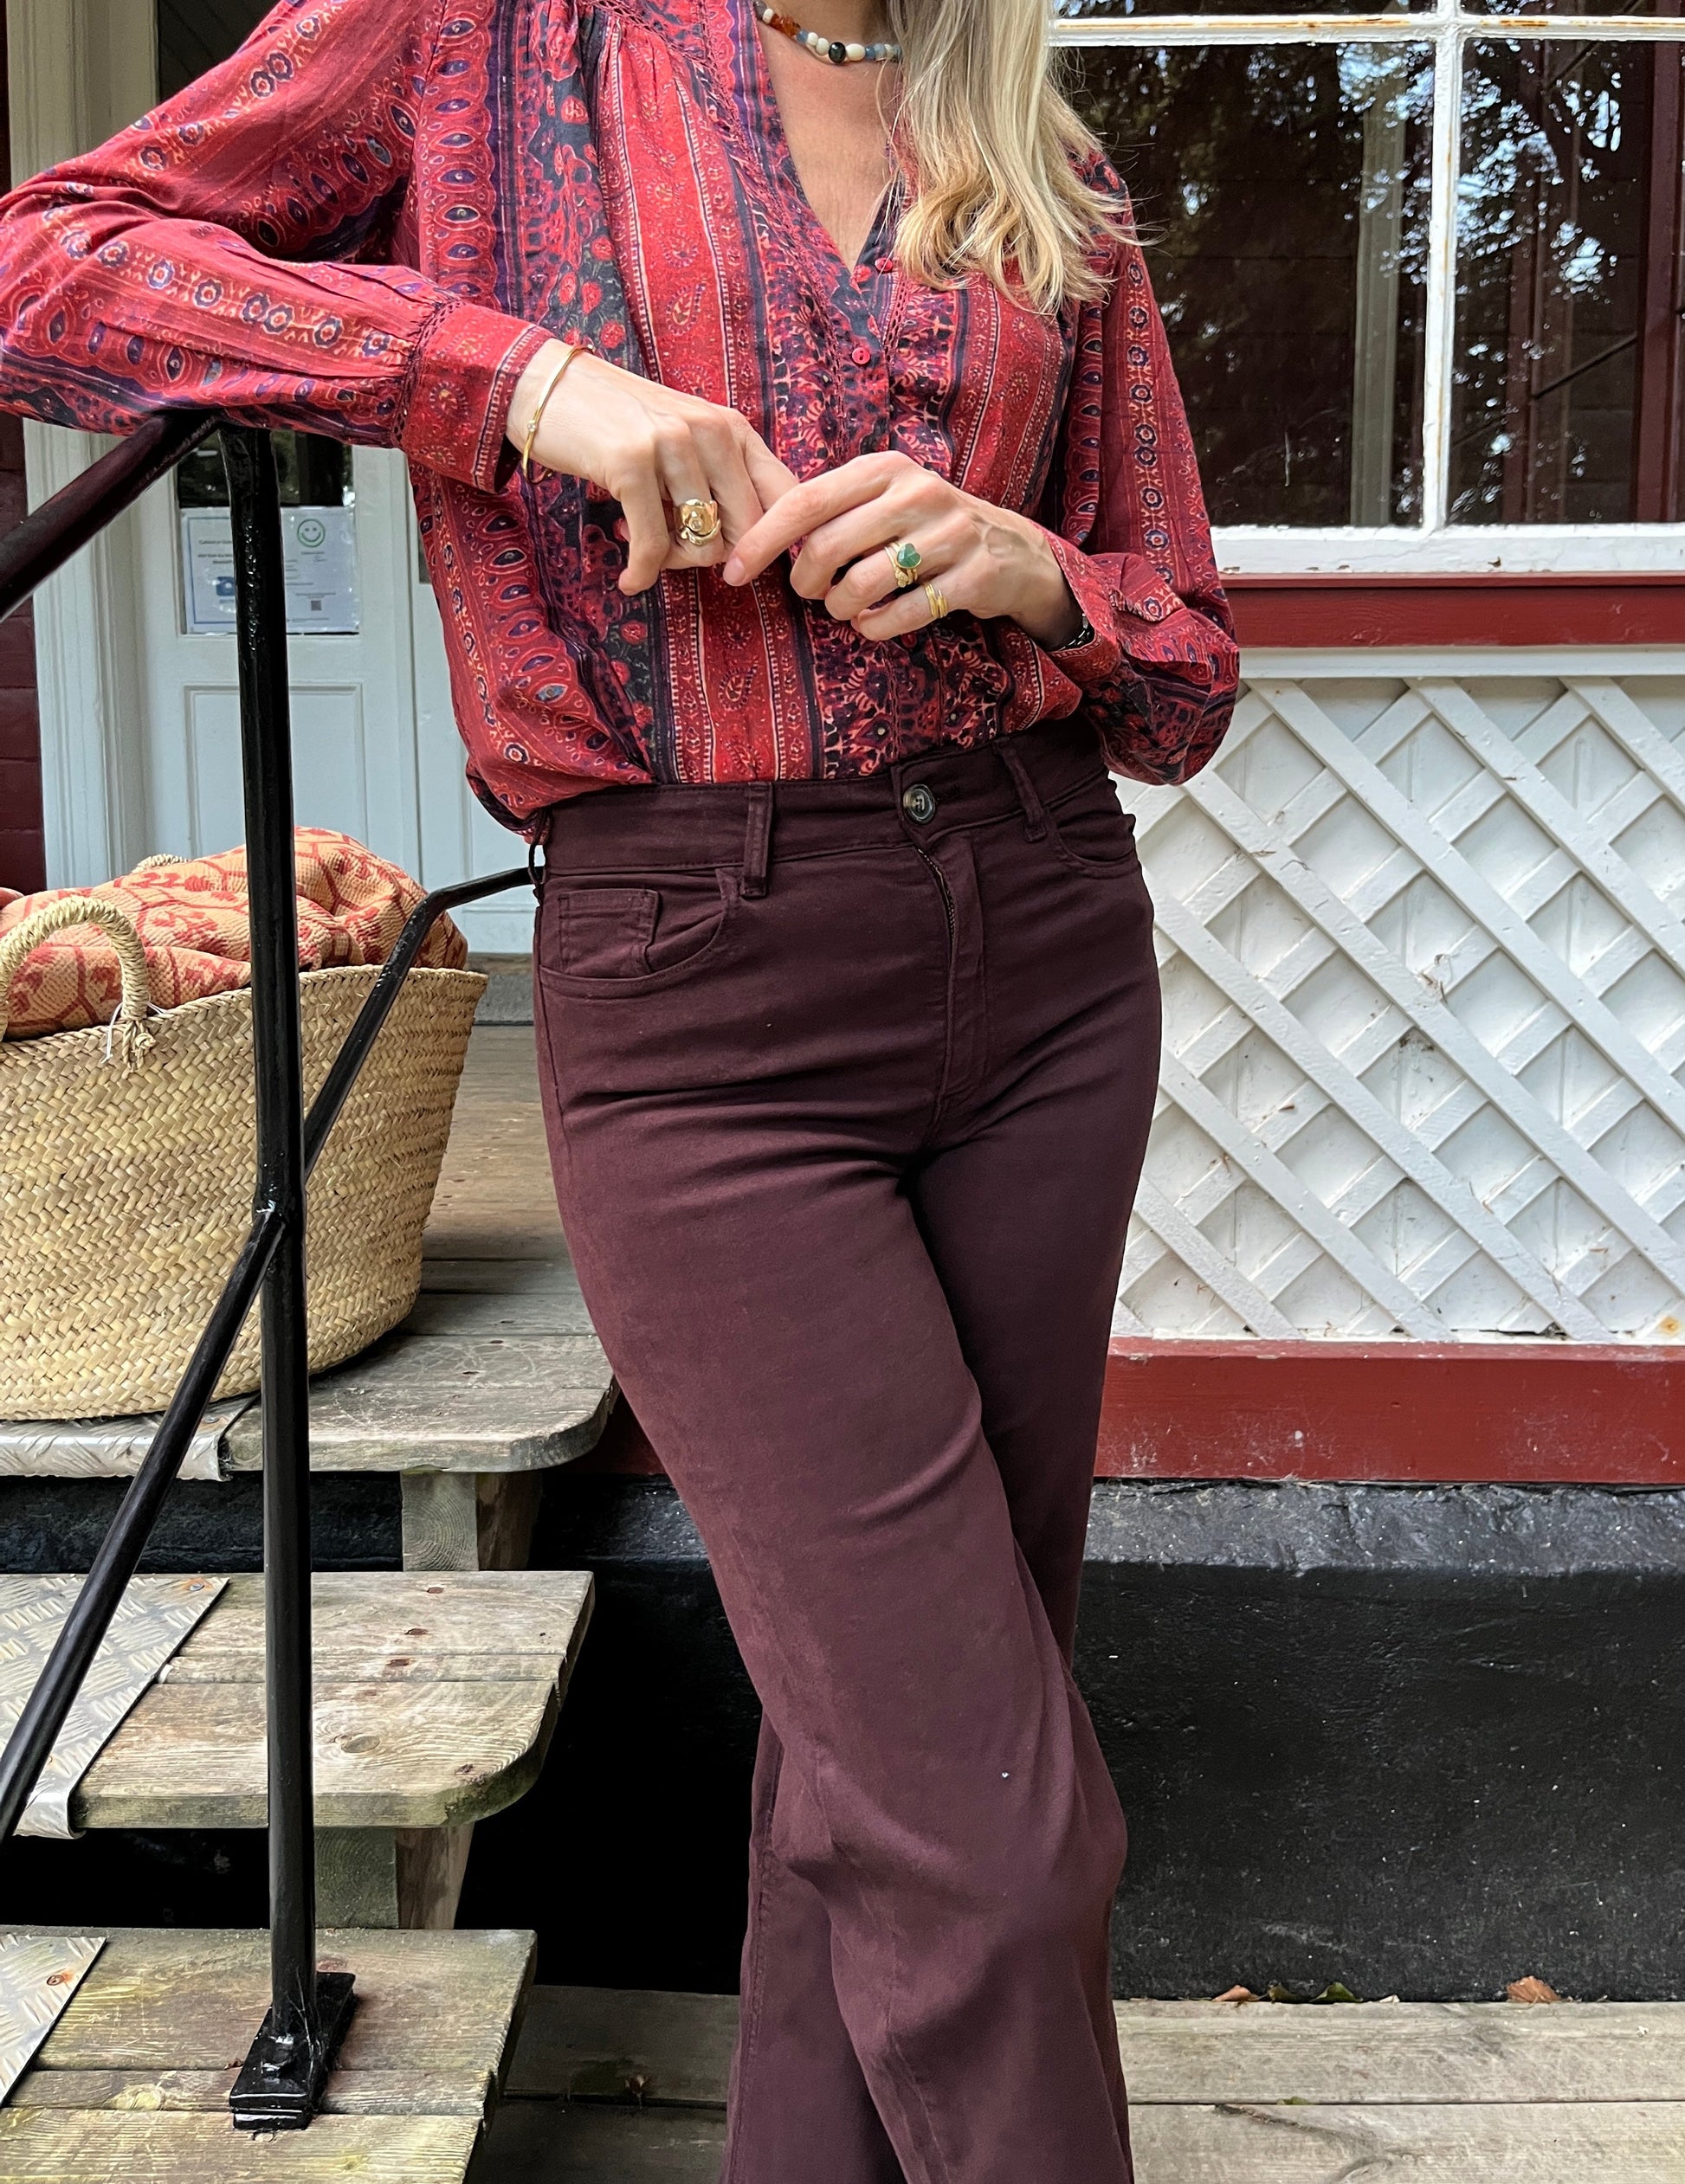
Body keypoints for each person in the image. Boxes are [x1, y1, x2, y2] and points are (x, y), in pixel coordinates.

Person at [0, 2, 1237, 2174]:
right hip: (702, 988)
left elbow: (1184, 665)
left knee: (891, 1753)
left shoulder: (1034, 147)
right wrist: (513, 383)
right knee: (991, 1824)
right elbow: (49, 266)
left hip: (1044, 947)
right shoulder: (485, 41)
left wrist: (1036, 574)